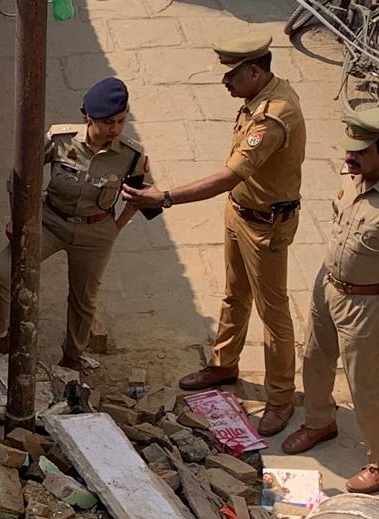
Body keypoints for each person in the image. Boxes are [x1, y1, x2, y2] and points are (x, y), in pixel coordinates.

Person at [123, 32, 306, 437]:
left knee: (273, 312)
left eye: (232, 75)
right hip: (240, 211)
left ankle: (280, 398)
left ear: (255, 72)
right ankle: (224, 365)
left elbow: (229, 175)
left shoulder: (273, 117)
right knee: (234, 294)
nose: (225, 82)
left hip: (266, 225)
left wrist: (165, 197)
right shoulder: (258, 97)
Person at [281, 108, 379, 493]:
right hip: (327, 286)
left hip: (365, 304)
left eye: (361, 152)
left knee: (365, 386)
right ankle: (319, 422)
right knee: (315, 359)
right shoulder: (351, 177)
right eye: (349, 149)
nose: (350, 157)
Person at [0, 77, 152, 370]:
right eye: (108, 122)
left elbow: (143, 196)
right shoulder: (60, 139)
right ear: (89, 117)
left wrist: (116, 227)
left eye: (121, 121)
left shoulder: (131, 154)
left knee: (83, 299)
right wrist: (19, 218)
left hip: (95, 231)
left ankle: (72, 358)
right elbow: (20, 176)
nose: (115, 129)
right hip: (50, 222)